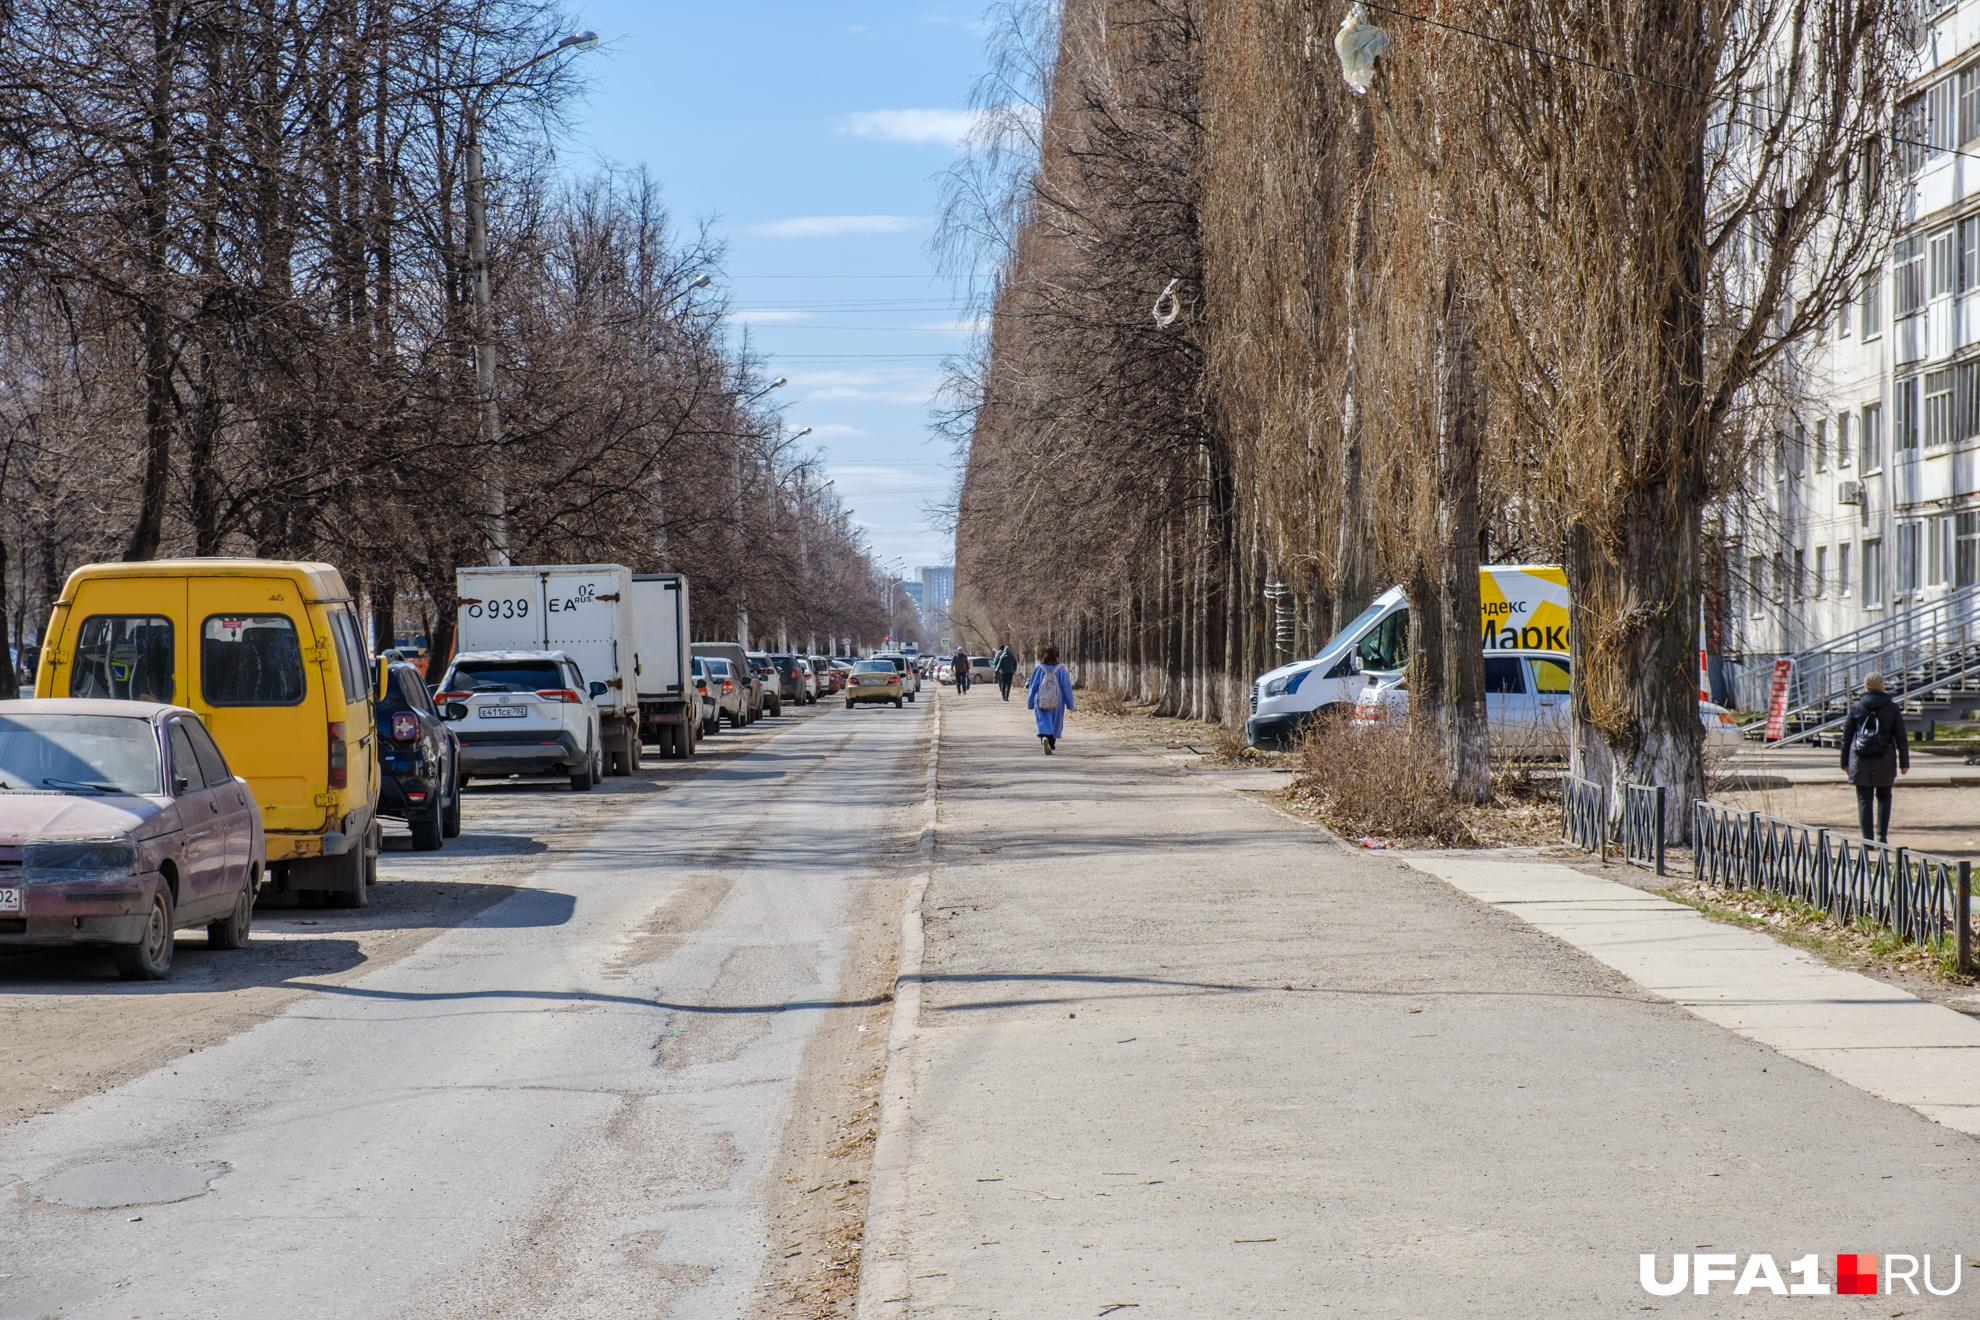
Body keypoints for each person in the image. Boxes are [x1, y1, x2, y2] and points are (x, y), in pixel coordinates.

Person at [1840, 672, 1909, 843]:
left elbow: (1846, 738)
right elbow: (1901, 737)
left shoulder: (1856, 708)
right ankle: (1881, 836)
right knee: (1884, 797)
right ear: (1882, 686)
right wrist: (1904, 762)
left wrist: (1844, 763)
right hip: (1885, 760)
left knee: (1864, 798)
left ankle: (1867, 839)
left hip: (1860, 760)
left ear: (1866, 686)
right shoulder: (1892, 708)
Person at [1027, 644, 1074, 753]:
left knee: (1043, 720)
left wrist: (1030, 703)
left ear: (1044, 655)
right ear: (1056, 655)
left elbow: (1033, 686)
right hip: (1057, 699)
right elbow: (1066, 687)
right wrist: (1070, 704)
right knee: (1055, 721)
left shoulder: (1039, 668)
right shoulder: (1061, 669)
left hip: (1041, 698)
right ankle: (1051, 742)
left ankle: (1044, 737)